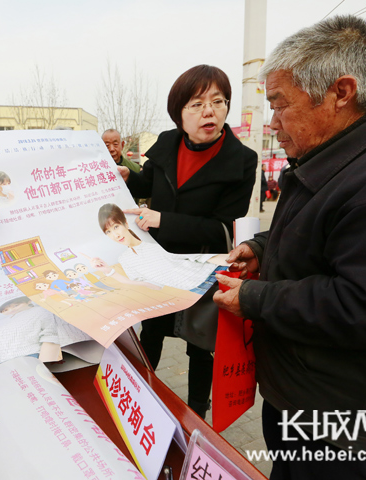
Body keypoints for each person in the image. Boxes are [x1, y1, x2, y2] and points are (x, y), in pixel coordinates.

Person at [213, 15, 366, 480]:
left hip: (343, 422)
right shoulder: (339, 155)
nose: (272, 121)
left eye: (280, 104)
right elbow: (322, 236)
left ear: (340, 93)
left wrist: (255, 298)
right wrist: (263, 248)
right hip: (307, 394)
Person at [118, 64, 257, 418]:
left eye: (218, 101)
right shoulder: (167, 143)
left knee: (201, 345)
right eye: (196, 104)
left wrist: (164, 220)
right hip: (159, 264)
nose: (209, 111)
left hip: (202, 270)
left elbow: (221, 230)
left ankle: (195, 413)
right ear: (179, 112)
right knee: (152, 331)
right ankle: (140, 394)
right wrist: (126, 179)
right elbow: (148, 185)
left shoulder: (241, 161)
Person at [98, 203, 225, 294]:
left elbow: (199, 257)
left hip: (211, 279)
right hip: (188, 294)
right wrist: (109, 272)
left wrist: (233, 260)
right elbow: (153, 286)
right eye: (108, 232)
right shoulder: (124, 259)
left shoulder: (153, 242)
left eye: (116, 227)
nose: (116, 235)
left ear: (125, 223)